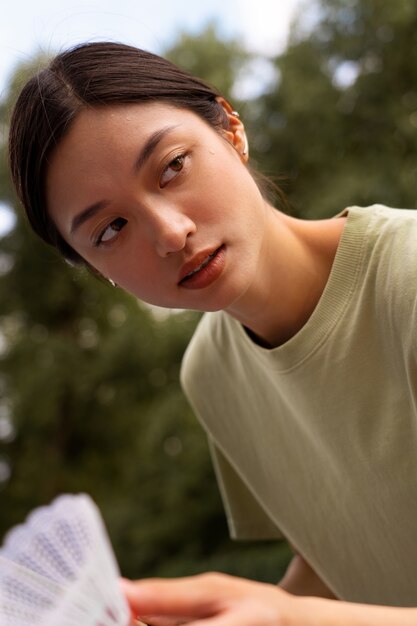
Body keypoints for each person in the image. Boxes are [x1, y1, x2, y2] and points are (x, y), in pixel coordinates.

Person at [7, 41, 417, 625]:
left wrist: (282, 619)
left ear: (230, 131)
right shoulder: (211, 375)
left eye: (172, 166)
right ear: (97, 270)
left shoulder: (408, 276)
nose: (170, 234)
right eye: (111, 229)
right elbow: (341, 553)